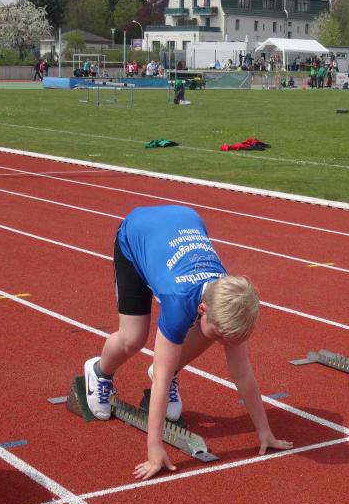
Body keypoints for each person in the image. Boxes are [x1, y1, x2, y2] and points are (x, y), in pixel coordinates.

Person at [82, 205, 292, 480]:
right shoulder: (179, 303)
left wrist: (264, 431)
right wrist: (154, 448)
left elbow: (242, 374)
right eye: (223, 335)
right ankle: (99, 372)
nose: (224, 343)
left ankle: (177, 364)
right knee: (133, 338)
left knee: (207, 333)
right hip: (137, 236)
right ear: (202, 309)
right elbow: (160, 379)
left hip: (184, 225)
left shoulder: (231, 304)